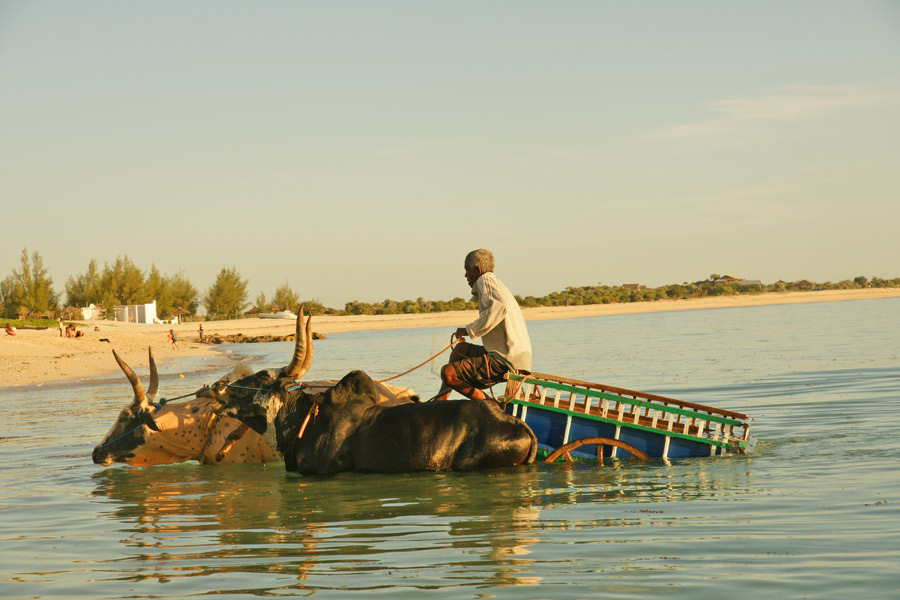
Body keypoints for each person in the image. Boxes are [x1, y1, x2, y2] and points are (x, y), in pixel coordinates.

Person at [434, 249, 532, 401]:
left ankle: (488, 406)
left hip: (505, 359)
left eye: (467, 270)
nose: (466, 275)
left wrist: (468, 330)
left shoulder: (485, 280)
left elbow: (499, 307)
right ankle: (440, 402)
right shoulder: (496, 284)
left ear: (477, 270)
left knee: (448, 373)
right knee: (461, 349)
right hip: (515, 357)